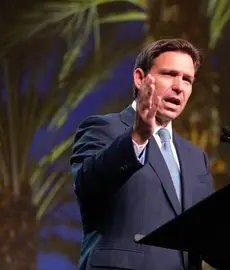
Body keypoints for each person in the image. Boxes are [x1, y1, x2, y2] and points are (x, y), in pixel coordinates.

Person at [70, 38, 215, 270]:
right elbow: (87, 186)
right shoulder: (103, 128)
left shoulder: (196, 157)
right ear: (139, 78)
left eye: (187, 79)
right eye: (169, 74)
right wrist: (138, 136)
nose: (179, 86)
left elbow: (210, 233)